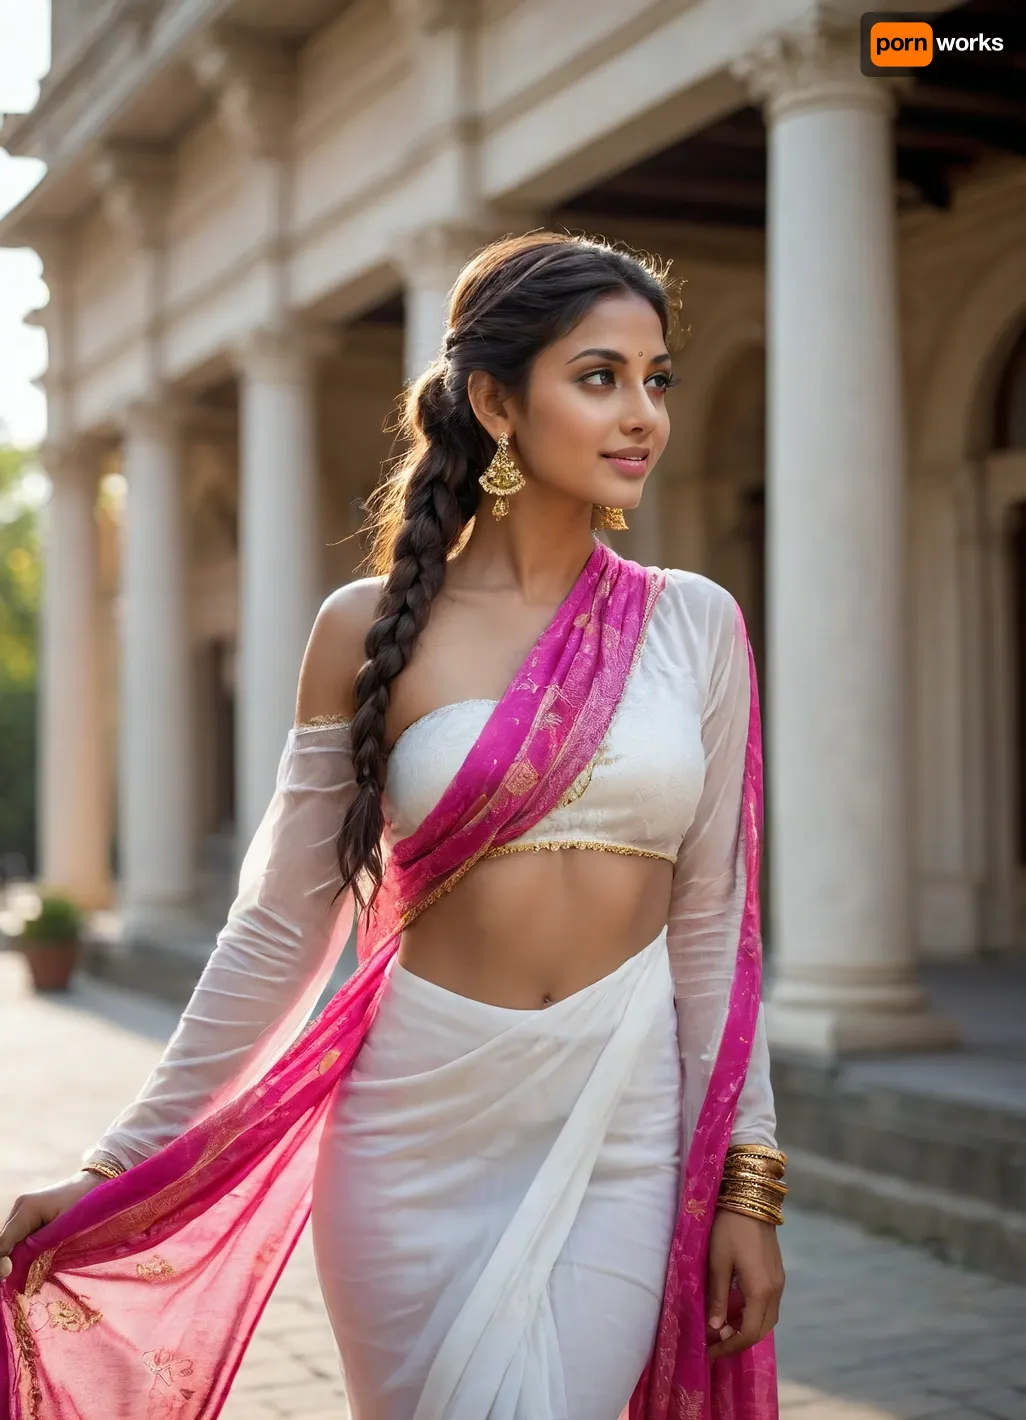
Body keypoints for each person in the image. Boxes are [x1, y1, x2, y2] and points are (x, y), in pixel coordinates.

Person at [0, 233, 784, 1420]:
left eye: (656, 377)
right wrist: (120, 1161)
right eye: (599, 376)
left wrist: (749, 1185)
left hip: (619, 1120)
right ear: (494, 401)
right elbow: (278, 927)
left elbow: (717, 918)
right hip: (411, 1125)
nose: (641, 415)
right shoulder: (368, 629)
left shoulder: (694, 626)